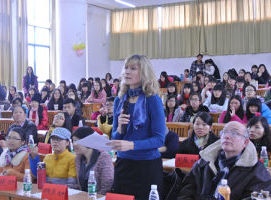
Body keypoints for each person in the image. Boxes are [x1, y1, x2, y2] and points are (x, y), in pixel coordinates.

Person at [108, 55, 165, 200]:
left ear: (144, 73)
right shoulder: (119, 100)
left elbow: (159, 140)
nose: (127, 72)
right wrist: (120, 128)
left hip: (147, 167)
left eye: (133, 68)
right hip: (123, 165)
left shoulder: (153, 100)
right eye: (126, 67)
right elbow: (115, 138)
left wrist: (132, 145)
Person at [178, 121, 271, 200]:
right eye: (224, 132)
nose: (227, 136)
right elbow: (186, 191)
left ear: (245, 142)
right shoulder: (205, 161)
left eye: (234, 133)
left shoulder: (257, 171)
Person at [71, 126, 114, 194]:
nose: (73, 144)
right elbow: (80, 186)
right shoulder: (78, 158)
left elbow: (107, 187)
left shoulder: (104, 158)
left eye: (76, 141)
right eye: (72, 141)